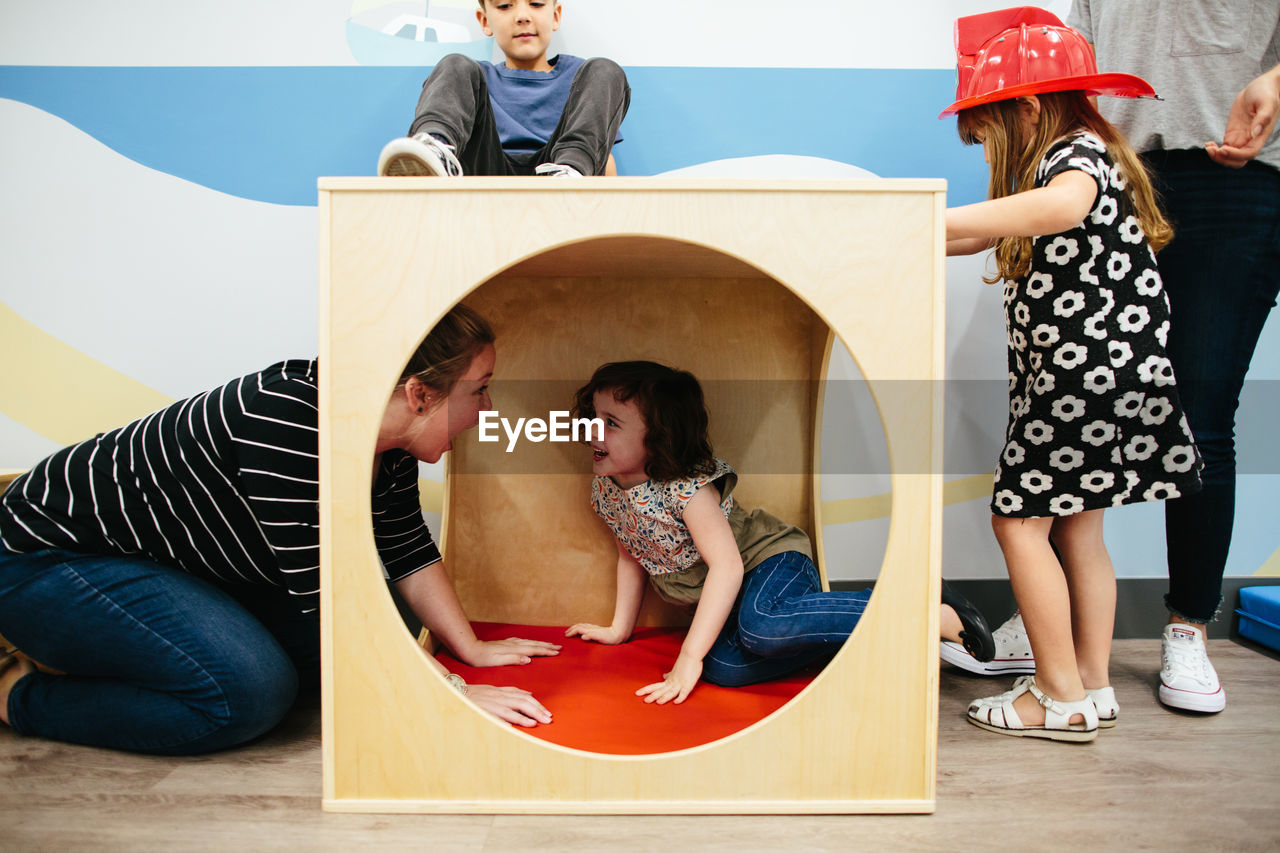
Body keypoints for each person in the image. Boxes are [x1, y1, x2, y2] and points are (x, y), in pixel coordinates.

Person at [0, 306, 559, 755]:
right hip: (46, 558)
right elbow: (328, 605)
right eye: (479, 388)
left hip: (171, 567)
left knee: (394, 624)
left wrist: (472, 648)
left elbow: (405, 547)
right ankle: (18, 696)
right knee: (248, 694)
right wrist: (448, 694)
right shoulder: (288, 423)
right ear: (419, 395)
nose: (488, 409)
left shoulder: (386, 441)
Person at [948, 3, 1280, 717]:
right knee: (1078, 525)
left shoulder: (1075, 162)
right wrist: (912, 231)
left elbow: (1061, 208)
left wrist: (937, 221)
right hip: (1112, 380)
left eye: (985, 136)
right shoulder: (1094, 153)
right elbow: (976, 239)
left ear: (1028, 110)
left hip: (1077, 382)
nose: (985, 153)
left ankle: (1057, 694)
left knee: (1019, 522)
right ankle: (1092, 683)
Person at [561, 361, 994, 704]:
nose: (592, 430)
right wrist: (620, 628)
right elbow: (630, 556)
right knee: (724, 668)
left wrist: (688, 656)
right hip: (732, 598)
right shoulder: (607, 488)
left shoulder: (686, 491)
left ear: (658, 438)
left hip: (768, 561)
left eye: (611, 422)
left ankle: (917, 608)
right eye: (592, 418)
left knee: (763, 625)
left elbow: (728, 566)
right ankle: (851, 636)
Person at [376, 0, 629, 178]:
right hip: (483, 174)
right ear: (484, 21)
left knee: (605, 70)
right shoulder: (475, 79)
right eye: (505, 6)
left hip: (561, 174)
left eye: (537, 4)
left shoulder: (581, 78)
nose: (522, 16)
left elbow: (603, 158)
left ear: (555, 15)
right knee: (455, 64)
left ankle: (572, 174)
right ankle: (434, 152)